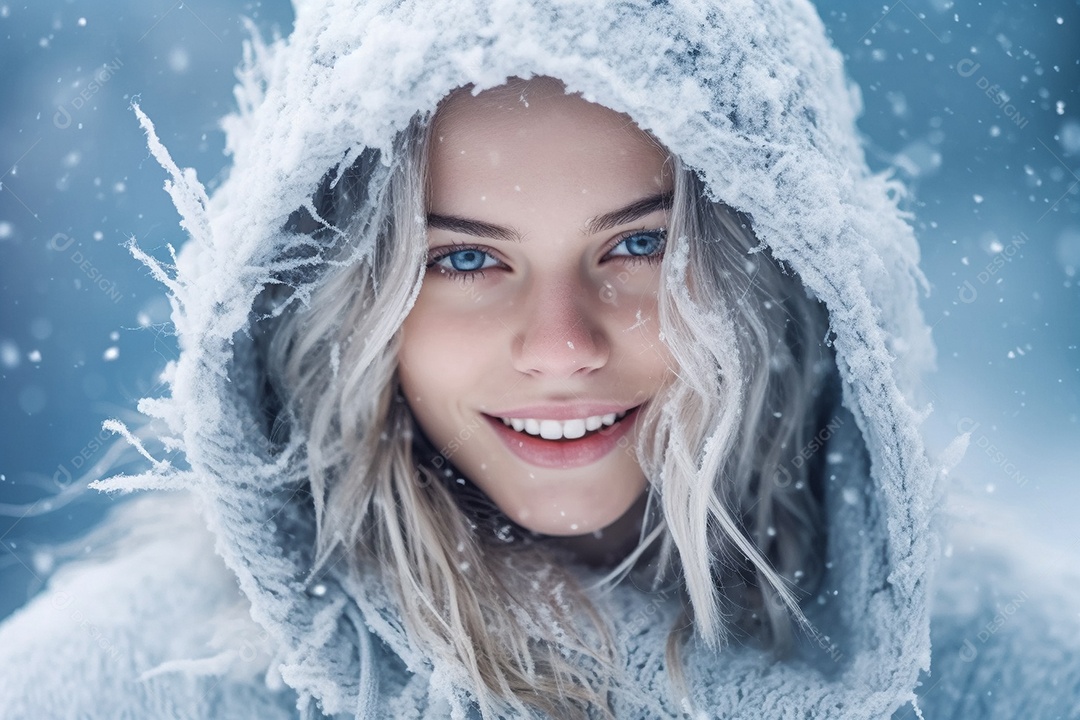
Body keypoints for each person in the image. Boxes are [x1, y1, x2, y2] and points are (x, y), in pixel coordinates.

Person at [1, 1, 1078, 718]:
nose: (563, 346)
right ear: (344, 295)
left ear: (779, 268)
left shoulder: (1012, 677)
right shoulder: (116, 689)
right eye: (467, 257)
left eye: (640, 245)